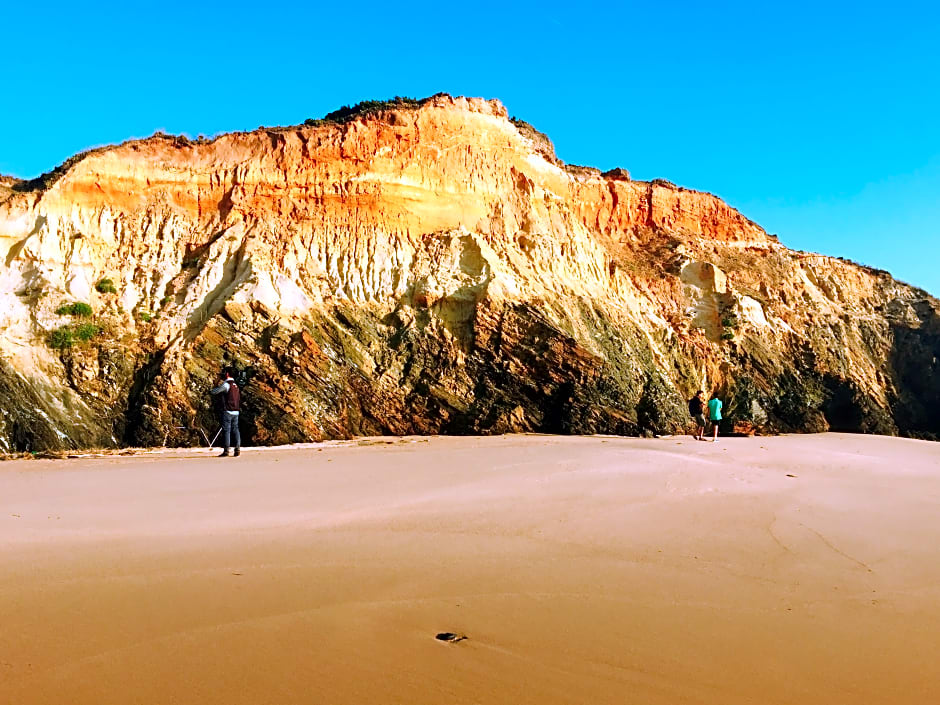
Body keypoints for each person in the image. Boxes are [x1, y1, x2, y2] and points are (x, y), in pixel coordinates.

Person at [210, 368, 241, 457]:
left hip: (228, 410)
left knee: (226, 430)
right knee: (235, 430)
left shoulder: (226, 385)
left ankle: (226, 451)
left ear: (227, 374)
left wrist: (216, 382)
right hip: (236, 411)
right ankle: (237, 449)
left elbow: (214, 392)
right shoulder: (236, 385)